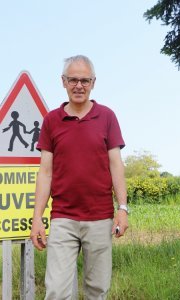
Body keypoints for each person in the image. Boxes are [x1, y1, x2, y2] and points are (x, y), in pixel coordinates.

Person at [30, 55, 129, 299]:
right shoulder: (52, 121)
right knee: (56, 292)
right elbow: (45, 172)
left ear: (93, 82)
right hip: (63, 218)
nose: (79, 85)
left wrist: (123, 208)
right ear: (63, 82)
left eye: (84, 80)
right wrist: (37, 218)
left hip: (100, 218)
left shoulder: (107, 117)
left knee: (97, 290)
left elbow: (116, 165)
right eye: (73, 80)